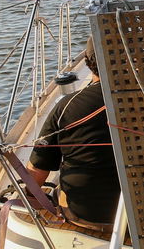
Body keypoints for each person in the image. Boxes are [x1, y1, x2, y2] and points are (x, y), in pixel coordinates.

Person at [24, 41, 121, 230]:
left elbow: (37, 173)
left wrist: (26, 196)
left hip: (88, 215)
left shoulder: (66, 107)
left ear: (87, 61)